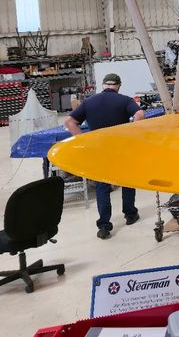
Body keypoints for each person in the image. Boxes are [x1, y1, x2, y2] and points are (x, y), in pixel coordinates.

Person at [64, 73, 144, 240]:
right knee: (127, 182)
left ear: (103, 85)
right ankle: (130, 214)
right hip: (121, 150)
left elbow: (70, 121)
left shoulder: (90, 101)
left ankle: (104, 225)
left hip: (99, 151)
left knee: (102, 187)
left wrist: (83, 140)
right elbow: (140, 115)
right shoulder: (125, 100)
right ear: (118, 85)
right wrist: (132, 130)